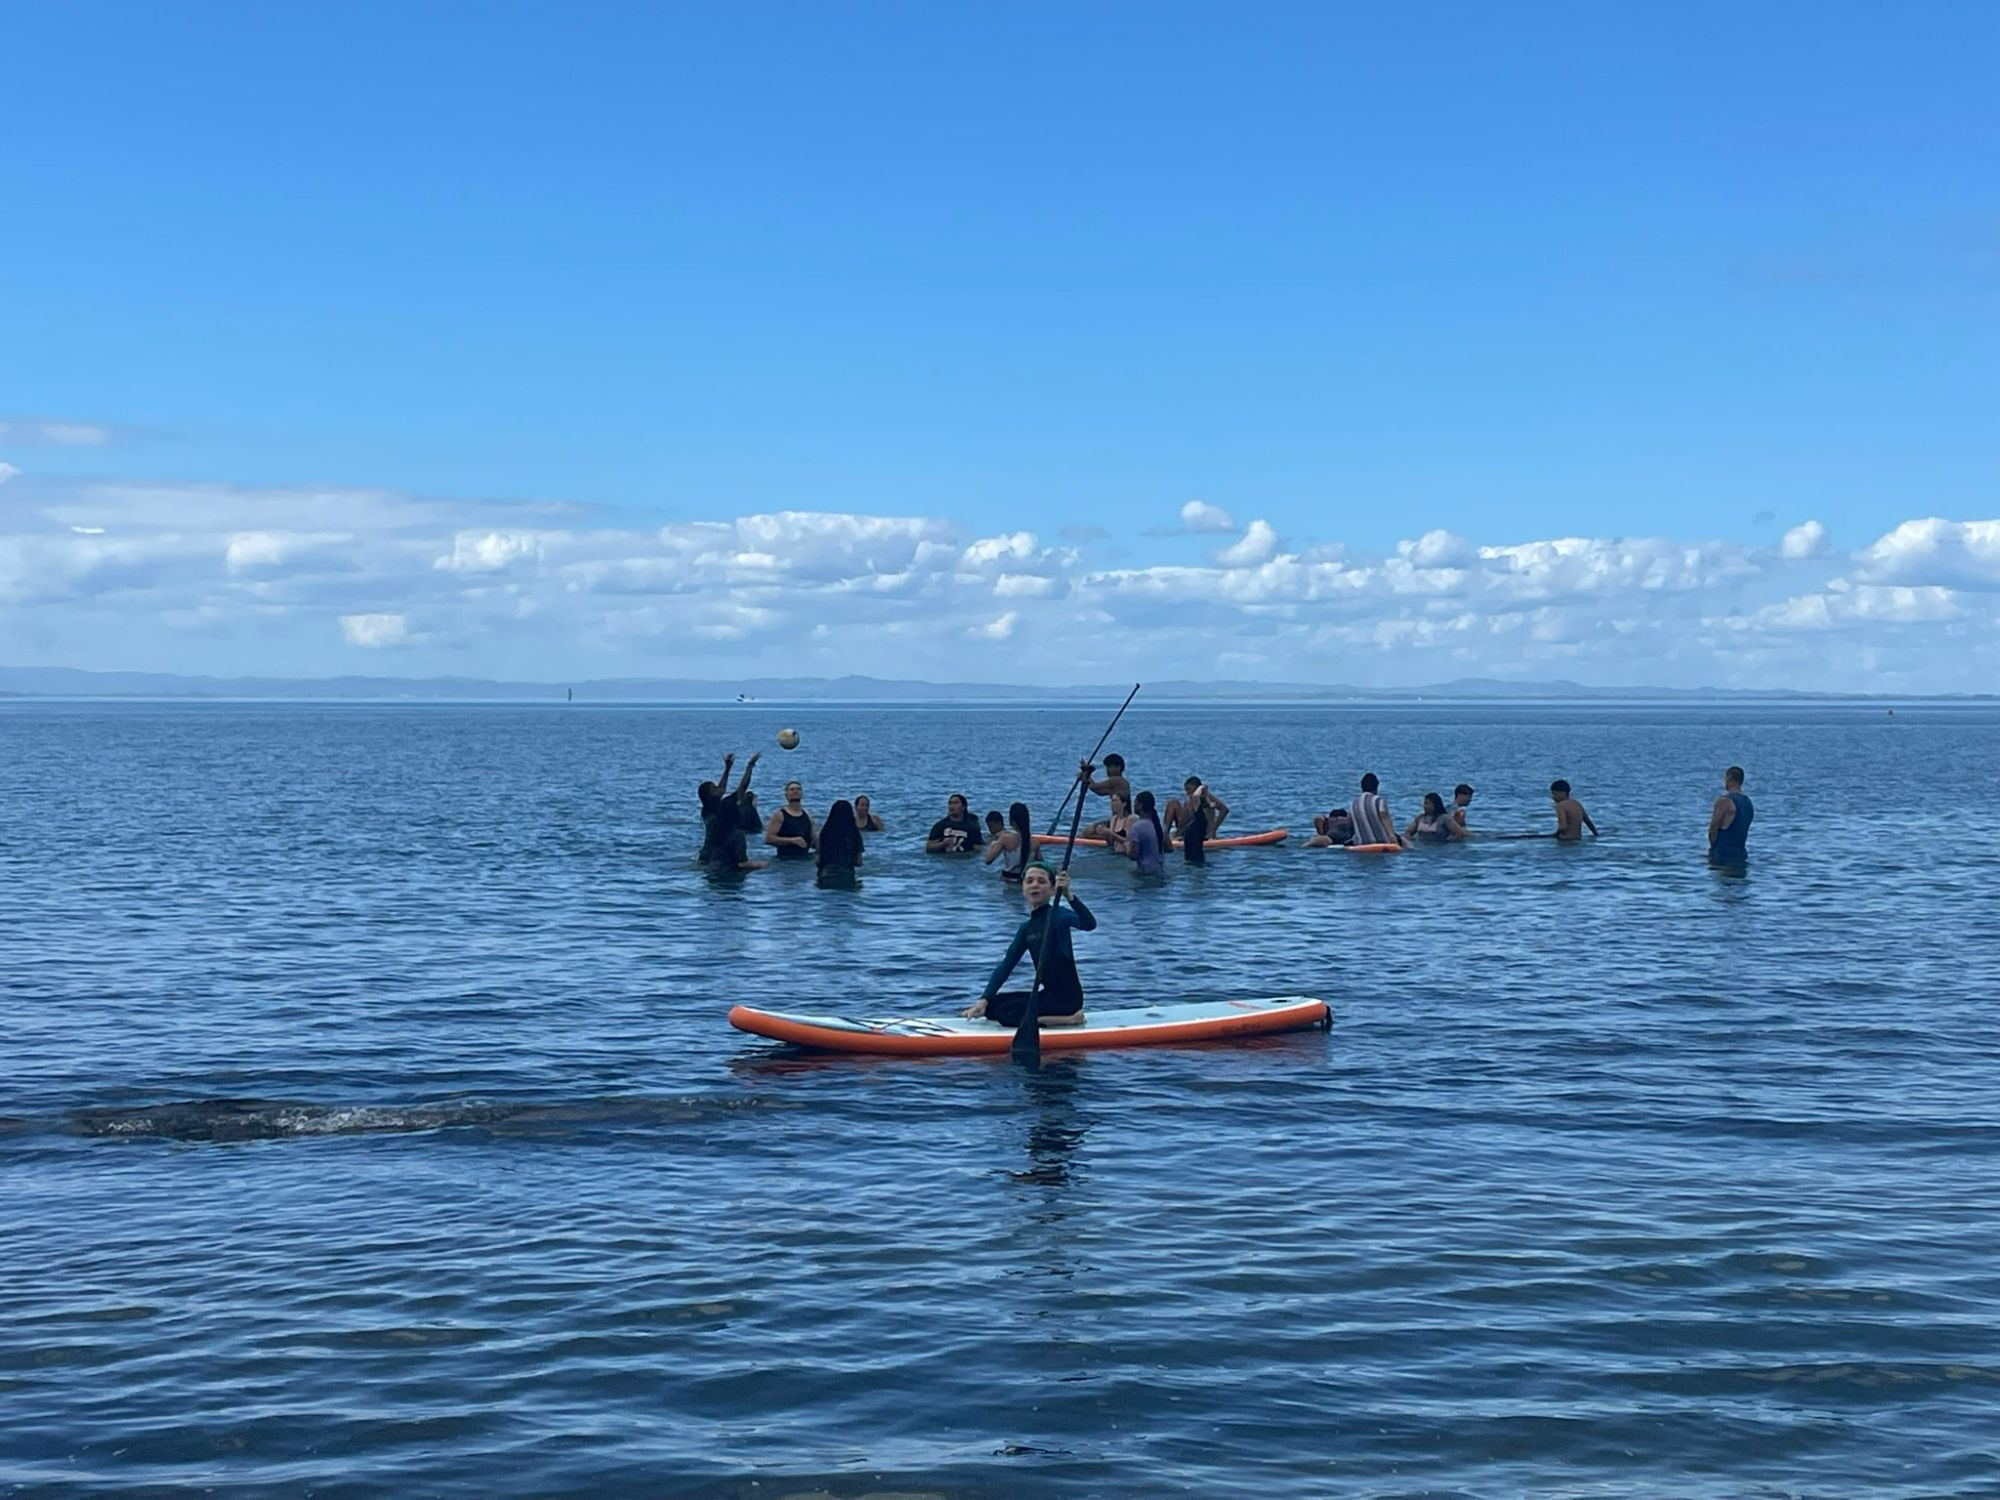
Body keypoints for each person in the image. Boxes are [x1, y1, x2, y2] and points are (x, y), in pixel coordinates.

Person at [962, 863, 1095, 1028]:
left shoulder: (1058, 915)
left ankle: (1071, 1019)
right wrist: (984, 999)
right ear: (1023, 888)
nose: (1035, 885)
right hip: (1048, 995)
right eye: (1029, 881)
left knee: (1007, 1015)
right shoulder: (1026, 928)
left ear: (1053, 889)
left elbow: (1089, 924)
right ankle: (1048, 1017)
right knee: (993, 1006)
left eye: (1041, 881)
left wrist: (1068, 895)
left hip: (1067, 999)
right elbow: (1006, 965)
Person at [1165, 776, 1229, 864]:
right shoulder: (1190, 798)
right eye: (1186, 790)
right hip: (1188, 830)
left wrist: (1213, 829)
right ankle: (1164, 835)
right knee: (1173, 803)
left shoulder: (1204, 797)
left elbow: (1224, 809)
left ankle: (1177, 836)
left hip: (1200, 832)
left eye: (1189, 789)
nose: (1188, 793)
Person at [1708, 765, 1754, 865]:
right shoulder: (1748, 803)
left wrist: (1712, 851)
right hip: (1741, 852)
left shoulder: (1723, 801)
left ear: (1728, 779)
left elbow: (1713, 829)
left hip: (1723, 854)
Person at [1081, 754, 1132, 838]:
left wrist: (1085, 773)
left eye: (1109, 767)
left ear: (1118, 767)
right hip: (1116, 819)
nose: (1107, 770)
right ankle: (1111, 837)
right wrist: (1086, 777)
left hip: (1122, 820)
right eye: (1106, 767)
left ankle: (1112, 838)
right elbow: (1099, 792)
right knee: (1087, 832)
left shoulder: (1117, 780)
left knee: (1086, 833)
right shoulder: (1118, 784)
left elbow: (1094, 786)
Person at [763, 780, 817, 860]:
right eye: (792, 789)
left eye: (798, 789)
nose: (795, 791)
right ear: (786, 795)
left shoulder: (808, 815)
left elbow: (814, 842)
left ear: (802, 794)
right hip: (785, 860)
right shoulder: (780, 814)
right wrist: (792, 840)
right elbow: (768, 839)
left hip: (805, 859)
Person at [816, 798, 864, 884]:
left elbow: (818, 861)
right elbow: (859, 862)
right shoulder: (855, 835)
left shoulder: (824, 833)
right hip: (847, 876)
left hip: (826, 876)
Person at [1347, 773, 1400, 847]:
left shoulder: (1353, 804)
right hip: (1381, 841)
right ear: (1377, 786)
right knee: (1403, 840)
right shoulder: (1379, 800)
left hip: (1360, 842)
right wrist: (1392, 835)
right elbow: (1384, 816)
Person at [984, 801, 1032, 882]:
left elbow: (988, 860)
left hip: (1008, 881)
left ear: (1011, 820)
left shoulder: (1005, 838)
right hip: (1025, 881)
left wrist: (993, 843)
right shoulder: (1034, 841)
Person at [1126, 789, 1168, 876]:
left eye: (1135, 802)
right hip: (1160, 871)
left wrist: (1126, 846)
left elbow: (1134, 855)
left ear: (1140, 806)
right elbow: (1169, 848)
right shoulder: (1160, 825)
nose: (1134, 805)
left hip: (1144, 873)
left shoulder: (1137, 827)